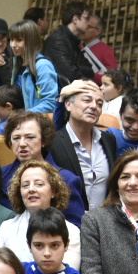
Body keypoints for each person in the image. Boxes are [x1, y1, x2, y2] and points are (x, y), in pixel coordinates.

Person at [0, 159, 82, 268]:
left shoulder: (71, 231)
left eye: (39, 184)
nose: (31, 189)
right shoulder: (6, 227)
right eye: (25, 185)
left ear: (53, 191)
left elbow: (68, 273)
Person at [0, 112, 84, 225]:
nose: (22, 144)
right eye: (16, 138)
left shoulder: (66, 179)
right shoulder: (0, 176)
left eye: (30, 137)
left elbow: (75, 227)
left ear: (43, 140)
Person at [50, 82, 119, 210]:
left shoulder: (109, 140)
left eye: (99, 104)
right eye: (87, 100)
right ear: (68, 104)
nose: (94, 106)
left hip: (102, 223)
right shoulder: (53, 142)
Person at [8, 19, 60, 115]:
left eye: (19, 40)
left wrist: (23, 116)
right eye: (11, 39)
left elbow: (50, 103)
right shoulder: (17, 62)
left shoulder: (43, 66)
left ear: (30, 41)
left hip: (35, 121)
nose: (12, 45)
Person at [42, 2, 96, 87]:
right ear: (75, 19)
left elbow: (90, 71)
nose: (89, 23)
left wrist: (76, 66)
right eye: (87, 18)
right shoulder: (57, 40)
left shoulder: (72, 39)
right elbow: (70, 75)